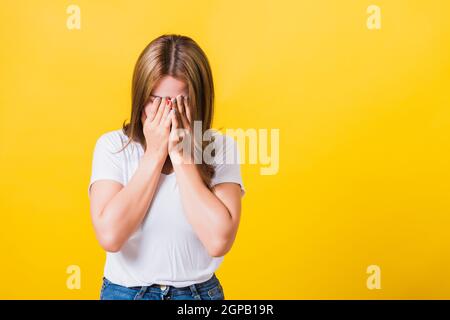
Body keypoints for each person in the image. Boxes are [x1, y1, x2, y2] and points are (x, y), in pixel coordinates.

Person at [87, 34, 245, 300]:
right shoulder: (113, 146)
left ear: (200, 100)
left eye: (180, 103)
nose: (169, 114)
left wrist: (182, 157)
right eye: (156, 101)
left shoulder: (220, 147)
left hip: (196, 296)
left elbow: (218, 241)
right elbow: (111, 236)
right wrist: (154, 154)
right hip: (125, 293)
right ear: (140, 98)